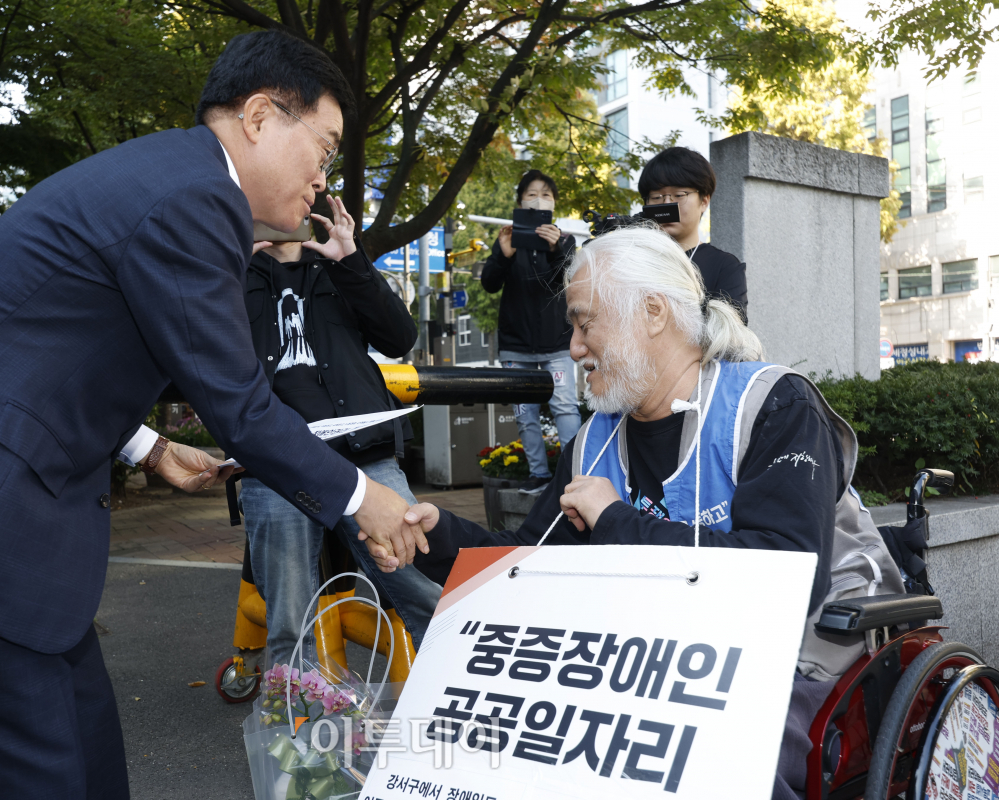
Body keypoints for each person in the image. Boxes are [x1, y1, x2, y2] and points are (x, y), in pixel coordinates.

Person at [0, 31, 428, 800]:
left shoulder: (172, 179)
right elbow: (240, 404)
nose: (324, 178)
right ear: (261, 116)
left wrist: (147, 447)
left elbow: (54, 342)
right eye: (323, 148)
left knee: (84, 753)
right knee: (21, 776)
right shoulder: (198, 197)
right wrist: (364, 499)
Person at [369, 225, 903, 800]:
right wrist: (435, 535)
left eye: (584, 323)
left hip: (807, 654)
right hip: (670, 662)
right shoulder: (595, 440)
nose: (574, 347)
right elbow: (531, 566)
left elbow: (787, 574)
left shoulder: (772, 404)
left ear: (652, 312)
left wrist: (615, 520)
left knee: (717, 758)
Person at [241, 197, 442, 665]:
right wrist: (229, 268)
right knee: (290, 619)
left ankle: (461, 687)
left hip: (363, 451)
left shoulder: (338, 266)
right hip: (275, 460)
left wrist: (351, 259)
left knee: (421, 584)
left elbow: (399, 338)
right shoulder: (232, 274)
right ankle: (294, 711)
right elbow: (196, 349)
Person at [481, 169, 581, 495]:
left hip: (557, 342)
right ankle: (539, 475)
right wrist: (502, 254)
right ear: (520, 202)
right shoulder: (508, 240)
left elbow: (567, 284)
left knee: (565, 407)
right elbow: (489, 283)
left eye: (546, 195)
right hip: (515, 344)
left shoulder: (565, 241)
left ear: (554, 204)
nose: (539, 201)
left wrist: (556, 250)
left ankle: (573, 475)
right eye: (532, 195)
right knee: (525, 414)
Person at [638, 146, 749, 321]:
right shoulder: (633, 261)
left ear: (704, 201)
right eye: (657, 197)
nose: (667, 204)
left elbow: (729, 332)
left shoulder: (724, 267)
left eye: (679, 195)